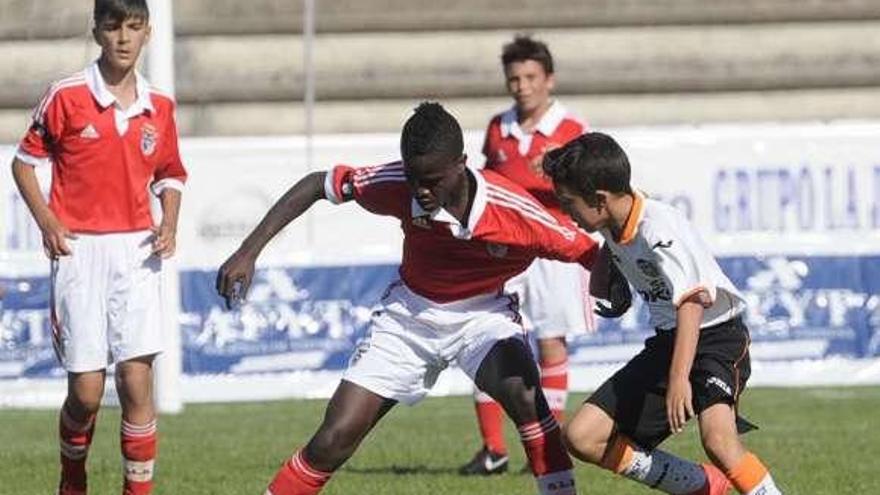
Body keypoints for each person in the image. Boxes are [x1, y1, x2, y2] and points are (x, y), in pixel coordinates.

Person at [216, 103, 625, 495]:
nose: (421, 191)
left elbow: (590, 250)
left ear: (461, 164)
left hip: (482, 316)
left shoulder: (513, 210)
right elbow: (317, 184)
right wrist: (248, 252)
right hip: (409, 316)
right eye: (414, 178)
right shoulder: (395, 183)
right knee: (333, 439)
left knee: (526, 398)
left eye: (432, 180)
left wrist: (616, 287)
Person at [543, 132, 783, 495]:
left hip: (716, 338)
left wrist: (678, 379)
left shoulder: (658, 229)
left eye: (569, 203)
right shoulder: (614, 218)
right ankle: (701, 486)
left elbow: (691, 303)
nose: (567, 212)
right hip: (670, 343)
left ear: (599, 200)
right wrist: (616, 284)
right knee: (581, 437)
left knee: (718, 440)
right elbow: (619, 247)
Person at [11, 1, 187, 493]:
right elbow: (24, 164)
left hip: (138, 252)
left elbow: (170, 173)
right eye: (113, 27)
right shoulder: (66, 96)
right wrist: (47, 221)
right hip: (79, 251)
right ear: (97, 33)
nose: (124, 38)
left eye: (133, 27)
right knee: (86, 394)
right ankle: (73, 478)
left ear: (148, 34)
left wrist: (169, 221)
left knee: (136, 380)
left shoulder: (161, 107)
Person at [460, 34, 592, 476]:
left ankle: (548, 443)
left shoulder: (572, 131)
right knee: (485, 340)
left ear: (549, 80)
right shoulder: (498, 128)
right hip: (504, 249)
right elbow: (485, 186)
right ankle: (493, 449)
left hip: (554, 251)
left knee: (551, 344)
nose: (522, 86)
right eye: (514, 78)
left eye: (531, 77)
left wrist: (561, 169)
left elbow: (591, 192)